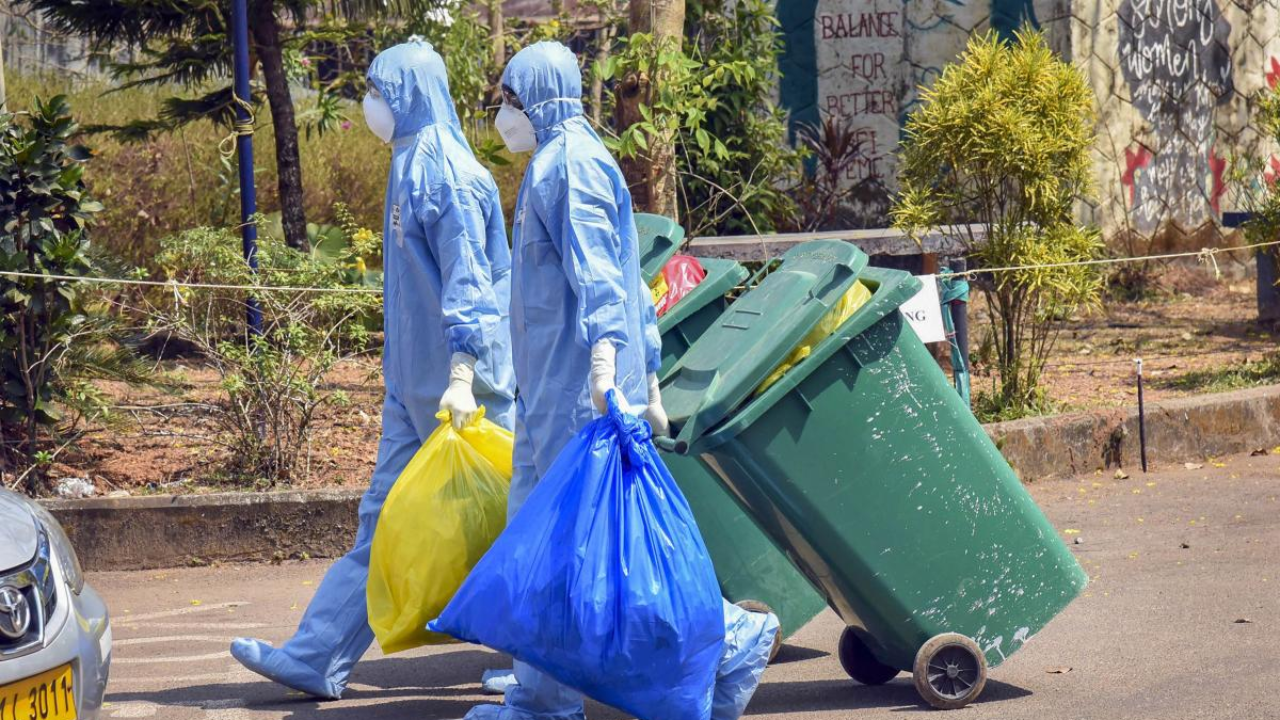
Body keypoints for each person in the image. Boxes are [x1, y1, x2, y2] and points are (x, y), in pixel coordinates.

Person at [465, 40, 778, 720]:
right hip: (556, 392)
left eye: (509, 102)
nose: (503, 115)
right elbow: (631, 282)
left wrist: (611, 367)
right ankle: (544, 693)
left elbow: (604, 283)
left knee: (602, 553)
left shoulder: (570, 166)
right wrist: (649, 373)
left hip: (580, 396)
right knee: (550, 545)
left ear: (538, 99)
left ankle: (732, 637)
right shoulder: (560, 160)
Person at [228, 39, 517, 700]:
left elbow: (470, 285)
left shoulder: (446, 171)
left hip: (463, 390)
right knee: (382, 521)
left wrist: (465, 376)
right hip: (415, 389)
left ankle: (554, 665)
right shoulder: (411, 159)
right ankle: (317, 653)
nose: (372, 104)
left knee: (520, 522)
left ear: (409, 93)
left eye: (379, 90)